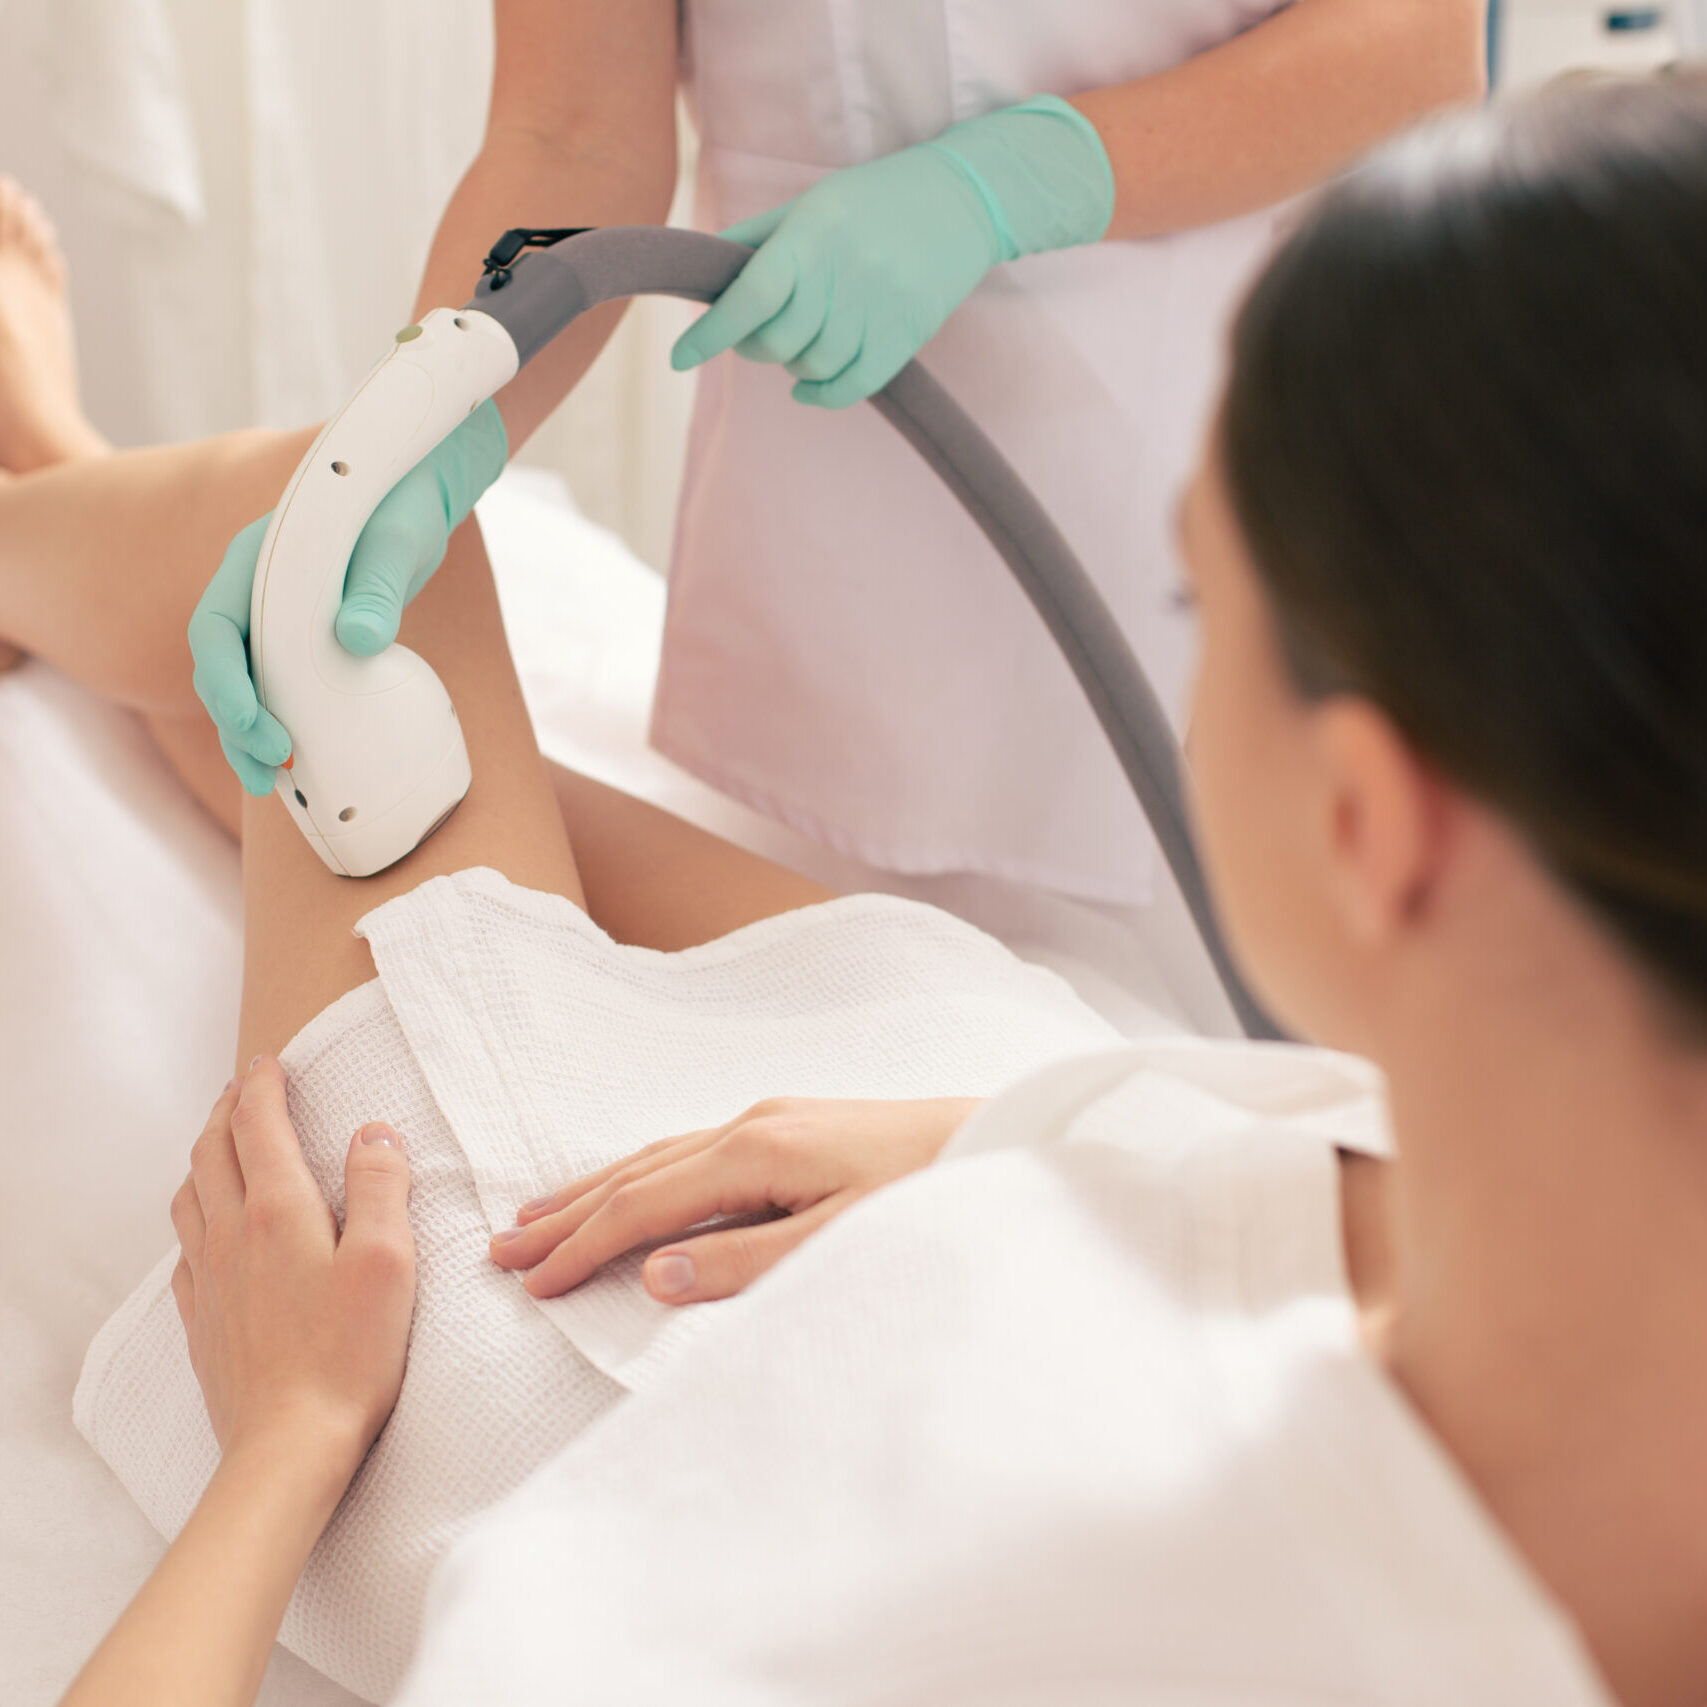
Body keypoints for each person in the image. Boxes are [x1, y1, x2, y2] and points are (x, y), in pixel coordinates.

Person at [39, 73, 1707, 1704]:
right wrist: (1021, 1141)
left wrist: (286, 1439)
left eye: (1202, 606)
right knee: (358, 712)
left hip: (564, 1341)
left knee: (329, 631)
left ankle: (29, 502)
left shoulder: (932, 1617)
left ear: (1370, 825)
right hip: (1013, 1125)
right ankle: (49, 473)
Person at [187, 0, 1489, 1025]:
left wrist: (1023, 178)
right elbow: (567, 137)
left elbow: (1416, 43)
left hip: (1254, 488)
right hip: (844, 579)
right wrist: (411, 445)